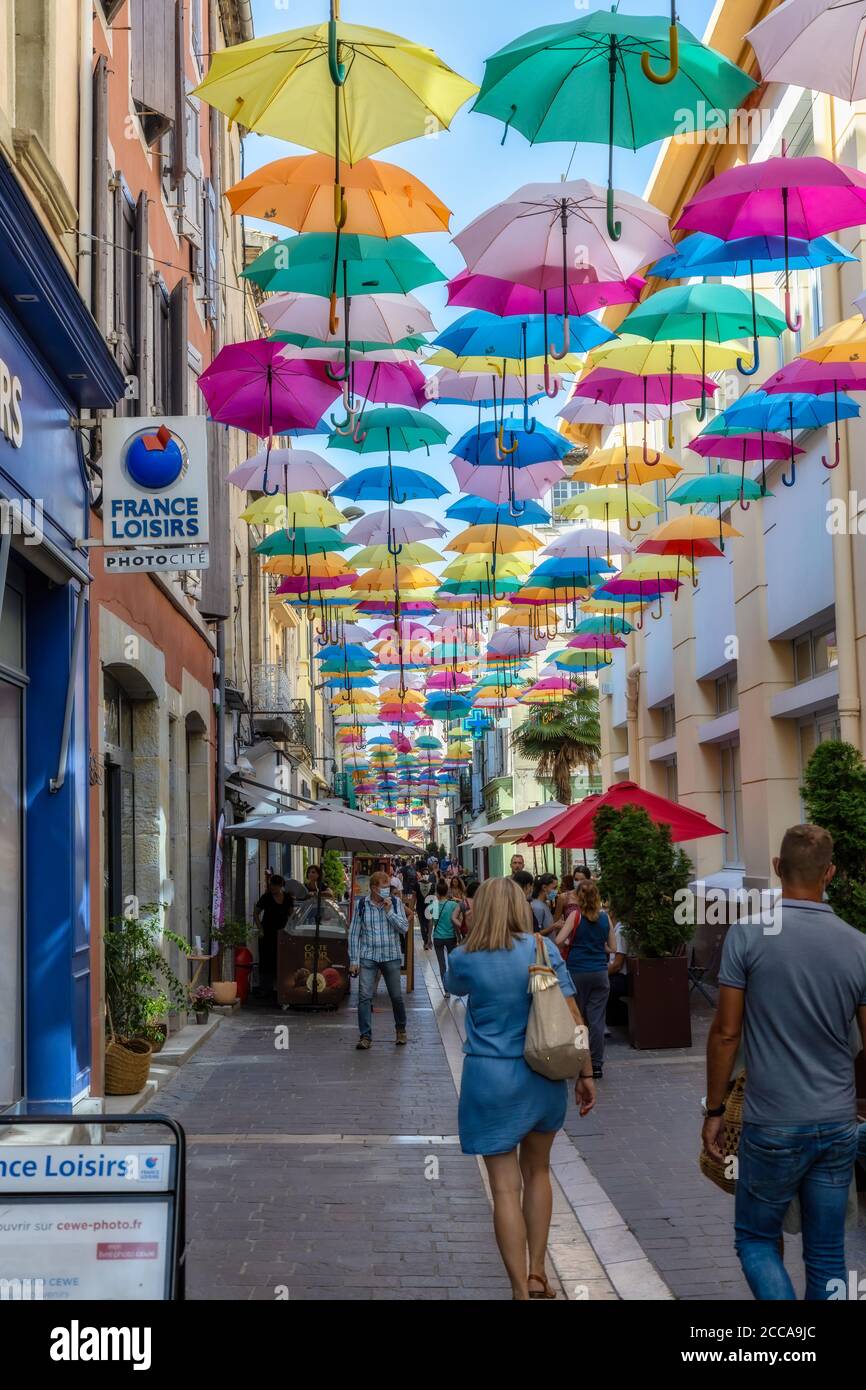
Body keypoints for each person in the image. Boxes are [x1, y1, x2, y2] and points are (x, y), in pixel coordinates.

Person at [703, 824, 866, 1302]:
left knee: (755, 1239)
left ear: (777, 868)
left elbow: (726, 1032)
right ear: (830, 873)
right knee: (828, 1254)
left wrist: (714, 1110)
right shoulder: (859, 944)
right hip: (836, 1122)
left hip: (771, 1120)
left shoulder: (747, 934)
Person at [444, 878, 595, 1300]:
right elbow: (574, 1015)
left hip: (489, 1079)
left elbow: (453, 987)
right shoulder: (542, 949)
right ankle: (537, 1273)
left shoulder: (464, 957)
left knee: (504, 1189)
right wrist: (585, 1074)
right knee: (539, 1172)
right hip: (541, 1075)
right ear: (520, 907)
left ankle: (518, 1291)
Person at [555, 879, 615, 1079]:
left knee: (578, 1019)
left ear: (578, 897)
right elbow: (612, 947)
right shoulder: (605, 918)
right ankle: (597, 1065)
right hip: (600, 973)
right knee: (597, 1020)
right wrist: (599, 946)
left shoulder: (575, 916)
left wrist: (570, 942)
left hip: (577, 971)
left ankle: (581, 1062)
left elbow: (558, 940)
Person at [348, 869, 409, 1050]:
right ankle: (365, 1036)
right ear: (374, 888)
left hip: (391, 956)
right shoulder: (362, 905)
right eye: (384, 886)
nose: (387, 890)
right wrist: (354, 961)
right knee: (364, 997)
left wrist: (390, 912)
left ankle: (400, 1030)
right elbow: (354, 933)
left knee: (396, 996)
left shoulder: (396, 903)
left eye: (388, 886)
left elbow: (404, 928)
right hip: (368, 956)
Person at [253, 874, 294, 998]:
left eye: (275, 885)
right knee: (266, 960)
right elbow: (256, 913)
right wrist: (260, 928)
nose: (272, 888)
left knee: (280, 959)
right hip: (267, 932)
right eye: (271, 885)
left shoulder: (287, 898)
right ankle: (265, 989)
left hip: (282, 933)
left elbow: (291, 915)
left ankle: (280, 988)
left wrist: (290, 930)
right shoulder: (266, 897)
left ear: (281, 886)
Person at [431, 879, 462, 996]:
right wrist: (459, 937)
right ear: (447, 891)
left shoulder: (434, 905)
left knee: (442, 964)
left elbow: (431, 923)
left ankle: (446, 990)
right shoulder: (453, 905)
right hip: (451, 938)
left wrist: (428, 939)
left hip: (437, 937)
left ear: (437, 892)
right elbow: (455, 923)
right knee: (452, 963)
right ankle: (455, 985)